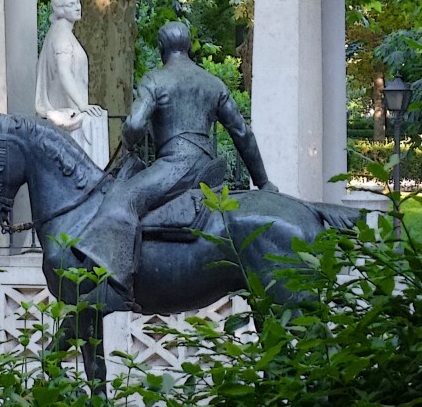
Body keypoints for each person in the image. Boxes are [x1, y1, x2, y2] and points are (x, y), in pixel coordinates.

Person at [76, 20, 278, 312]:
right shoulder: (213, 83)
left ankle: (119, 282)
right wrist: (263, 183)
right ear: (189, 47)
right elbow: (242, 134)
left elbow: (133, 123)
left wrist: (131, 140)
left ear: (161, 49)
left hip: (175, 166)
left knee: (121, 200)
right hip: (208, 167)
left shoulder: (155, 80)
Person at [35, 0, 106, 159]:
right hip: (66, 108)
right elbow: (64, 72)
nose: (78, 7)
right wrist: (83, 106)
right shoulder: (61, 35)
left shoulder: (62, 32)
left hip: (69, 105)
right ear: (60, 10)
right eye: (71, 4)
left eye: (78, 2)